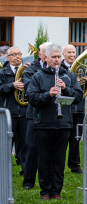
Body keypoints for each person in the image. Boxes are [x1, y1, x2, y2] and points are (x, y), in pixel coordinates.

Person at [27, 43, 82, 200]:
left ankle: (56, 191)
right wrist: (48, 95)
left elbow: (78, 97)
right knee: (44, 159)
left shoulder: (68, 76)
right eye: (54, 57)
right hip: (43, 123)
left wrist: (66, 89)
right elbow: (31, 98)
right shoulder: (38, 76)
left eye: (59, 57)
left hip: (63, 123)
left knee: (59, 159)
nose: (57, 60)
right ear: (46, 58)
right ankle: (45, 191)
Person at [22, 42, 51, 189]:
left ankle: (48, 182)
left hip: (51, 114)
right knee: (32, 147)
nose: (48, 57)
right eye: (46, 54)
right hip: (34, 114)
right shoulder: (30, 70)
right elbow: (28, 91)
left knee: (50, 149)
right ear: (40, 54)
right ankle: (28, 181)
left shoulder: (58, 70)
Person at [61, 44, 87, 173]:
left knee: (76, 137)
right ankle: (60, 164)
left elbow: (85, 90)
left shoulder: (82, 68)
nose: (71, 55)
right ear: (63, 54)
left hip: (78, 108)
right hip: (64, 108)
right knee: (62, 138)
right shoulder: (59, 68)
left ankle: (74, 165)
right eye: (68, 52)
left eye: (73, 52)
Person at [0, 46, 30, 175]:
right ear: (8, 57)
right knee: (7, 143)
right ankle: (4, 169)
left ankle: (25, 169)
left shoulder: (26, 71)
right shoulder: (2, 72)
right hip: (9, 112)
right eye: (14, 54)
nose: (18, 57)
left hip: (23, 112)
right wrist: (12, 86)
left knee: (24, 143)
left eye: (19, 54)